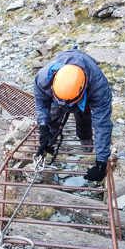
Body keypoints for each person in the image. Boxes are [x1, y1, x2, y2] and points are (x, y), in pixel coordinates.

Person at [34, 49, 113, 182]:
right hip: (62, 93)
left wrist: (101, 162)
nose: (65, 105)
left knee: (84, 116)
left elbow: (102, 124)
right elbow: (41, 102)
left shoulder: (99, 88)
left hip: (86, 91)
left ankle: (85, 139)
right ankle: (50, 142)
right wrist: (43, 127)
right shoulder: (43, 78)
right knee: (52, 116)